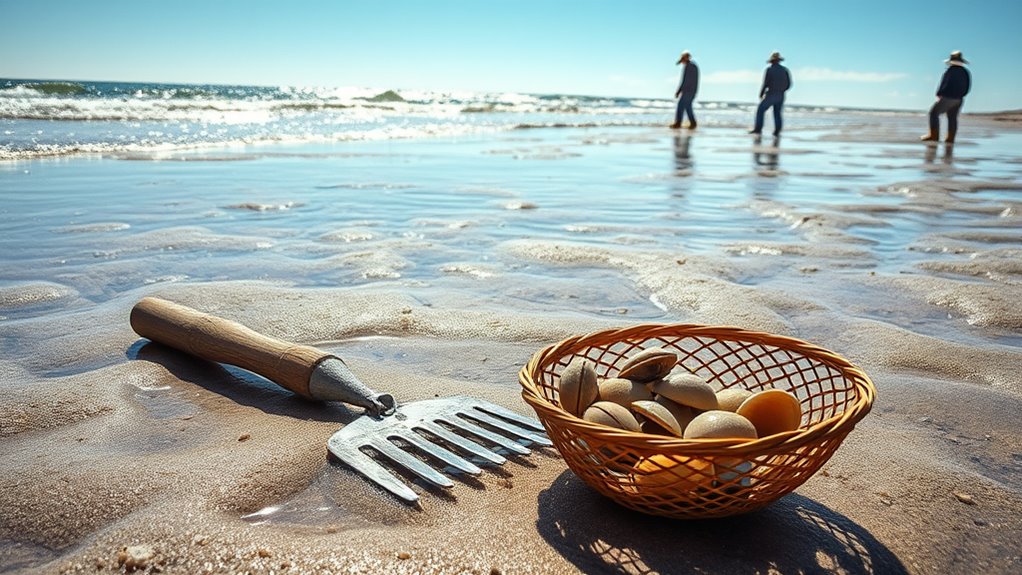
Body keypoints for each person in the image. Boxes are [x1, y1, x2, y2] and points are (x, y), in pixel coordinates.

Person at [921, 51, 971, 144]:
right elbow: (968, 87)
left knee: (933, 113)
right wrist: (961, 95)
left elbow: (945, 83)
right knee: (952, 117)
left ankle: (934, 135)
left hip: (948, 97)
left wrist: (940, 93)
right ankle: (950, 138)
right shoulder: (965, 72)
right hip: (959, 99)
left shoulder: (950, 71)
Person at [750, 52, 792, 136]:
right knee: (777, 113)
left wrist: (761, 93)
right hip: (781, 95)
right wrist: (782, 90)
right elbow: (789, 84)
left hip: (771, 93)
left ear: (772, 61)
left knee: (760, 110)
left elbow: (765, 83)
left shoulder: (769, 70)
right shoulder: (785, 70)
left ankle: (758, 129)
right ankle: (777, 131)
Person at [670, 51, 699, 130]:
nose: (682, 62)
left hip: (688, 91)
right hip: (692, 91)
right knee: (687, 106)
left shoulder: (689, 66)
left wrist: (679, 91)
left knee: (681, 106)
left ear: (686, 58)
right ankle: (692, 123)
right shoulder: (693, 66)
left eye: (682, 60)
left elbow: (685, 81)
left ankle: (679, 123)